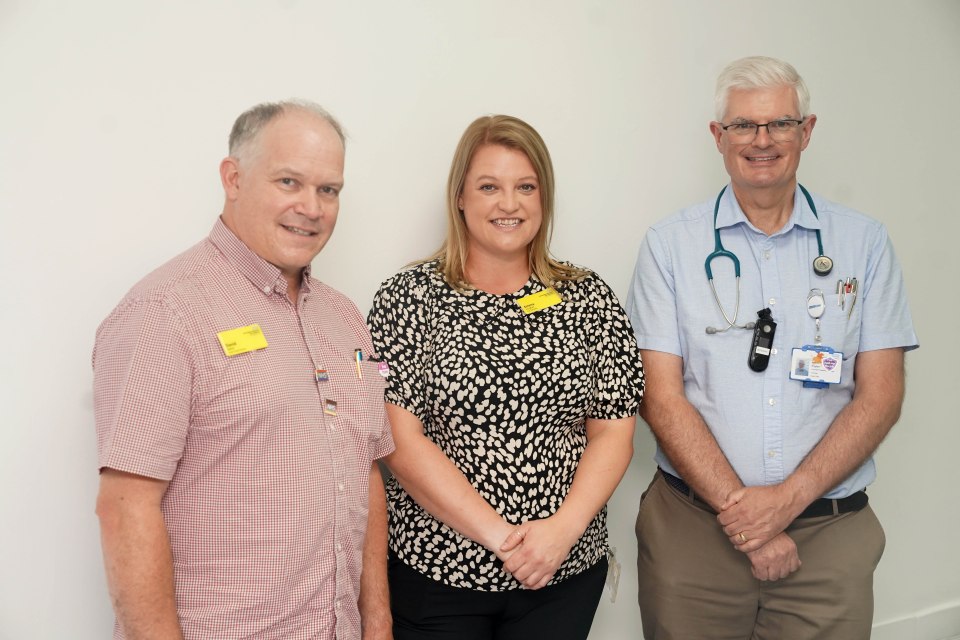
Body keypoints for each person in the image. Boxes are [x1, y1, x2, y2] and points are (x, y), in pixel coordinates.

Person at [627, 56, 918, 639]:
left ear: (807, 131)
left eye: (780, 124)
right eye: (743, 126)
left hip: (827, 536)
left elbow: (880, 395)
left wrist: (787, 500)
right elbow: (659, 397)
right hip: (694, 534)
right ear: (719, 137)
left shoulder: (864, 244)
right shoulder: (669, 246)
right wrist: (749, 519)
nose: (762, 141)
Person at [93, 100, 394, 640]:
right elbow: (125, 508)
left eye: (329, 190)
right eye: (289, 182)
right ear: (233, 178)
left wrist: (377, 624)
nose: (312, 207)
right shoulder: (165, 312)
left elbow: (366, 469)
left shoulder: (344, 317)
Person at [367, 115, 644, 639]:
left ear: (544, 198)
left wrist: (558, 536)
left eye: (525, 187)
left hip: (561, 575)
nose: (509, 204)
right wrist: (503, 540)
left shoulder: (588, 299)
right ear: (460, 198)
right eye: (489, 186)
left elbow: (614, 430)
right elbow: (398, 438)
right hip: (437, 573)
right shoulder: (406, 298)